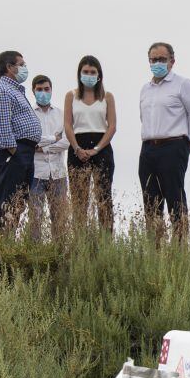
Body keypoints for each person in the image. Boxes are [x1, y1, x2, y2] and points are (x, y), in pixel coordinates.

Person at [139, 42, 190, 242]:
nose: (157, 63)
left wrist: (186, 146)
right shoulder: (145, 89)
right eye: (154, 59)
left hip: (173, 146)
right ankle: (156, 248)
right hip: (148, 148)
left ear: (172, 61)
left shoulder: (183, 84)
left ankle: (180, 248)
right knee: (150, 201)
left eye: (162, 59)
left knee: (175, 199)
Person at [0, 50, 41, 230]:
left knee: (18, 201)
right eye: (22, 65)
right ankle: (1, 246)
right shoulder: (3, 90)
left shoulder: (15, 90)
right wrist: (15, 153)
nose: (25, 68)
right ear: (10, 67)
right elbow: (2, 127)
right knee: (8, 201)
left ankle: (8, 244)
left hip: (25, 151)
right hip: (14, 152)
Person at [64, 55, 116, 232]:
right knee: (79, 198)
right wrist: (77, 148)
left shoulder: (107, 97)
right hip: (77, 147)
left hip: (101, 147)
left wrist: (96, 149)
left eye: (93, 72)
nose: (89, 75)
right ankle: (80, 239)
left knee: (103, 197)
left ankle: (106, 239)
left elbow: (112, 126)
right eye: (85, 72)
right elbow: (68, 125)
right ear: (79, 74)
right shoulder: (71, 96)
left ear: (99, 75)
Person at [29, 75, 69, 241]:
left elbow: (67, 141)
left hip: (58, 173)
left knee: (59, 217)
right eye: (39, 90)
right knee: (35, 217)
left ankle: (59, 251)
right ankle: (35, 253)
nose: (43, 93)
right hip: (36, 173)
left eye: (46, 89)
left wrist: (42, 146)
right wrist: (54, 138)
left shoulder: (61, 114)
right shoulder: (29, 115)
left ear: (51, 90)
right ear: (33, 91)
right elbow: (31, 141)